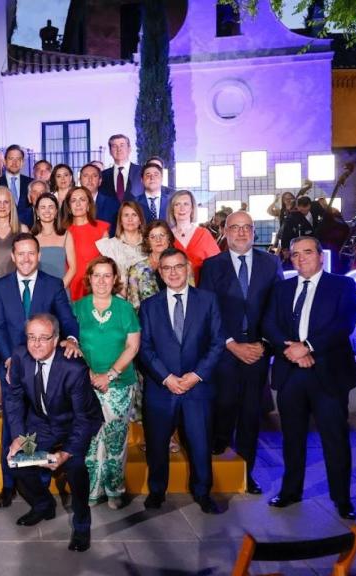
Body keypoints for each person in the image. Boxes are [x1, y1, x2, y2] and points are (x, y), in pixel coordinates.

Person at [263, 236, 356, 520]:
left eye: (307, 252)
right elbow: (269, 324)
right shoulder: (281, 288)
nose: (301, 258)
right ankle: (290, 491)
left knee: (335, 439)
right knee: (292, 438)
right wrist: (292, 350)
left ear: (321, 256)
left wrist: (307, 347)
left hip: (328, 374)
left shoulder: (342, 286)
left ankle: (342, 499)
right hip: (291, 372)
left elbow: (344, 324)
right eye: (295, 254)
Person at [0, 233, 81, 508]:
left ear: (39, 255)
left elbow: (68, 320)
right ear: (13, 256)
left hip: (45, 369)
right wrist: (8, 358)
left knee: (39, 427)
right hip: (12, 368)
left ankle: (39, 487)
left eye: (31, 253)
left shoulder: (53, 284)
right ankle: (9, 485)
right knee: (12, 428)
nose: (26, 258)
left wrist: (71, 340)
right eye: (21, 253)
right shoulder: (1, 286)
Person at [199, 211, 283, 495]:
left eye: (247, 227)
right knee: (223, 404)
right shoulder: (212, 266)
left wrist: (266, 344)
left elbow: (278, 308)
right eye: (235, 227)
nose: (242, 232)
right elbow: (208, 311)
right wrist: (231, 344)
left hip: (258, 350)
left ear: (254, 232)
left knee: (250, 412)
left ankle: (247, 472)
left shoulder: (271, 263)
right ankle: (219, 442)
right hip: (225, 349)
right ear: (225, 232)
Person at [5, 314, 104, 553]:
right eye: (31, 337)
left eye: (43, 338)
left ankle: (82, 525)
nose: (36, 344)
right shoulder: (19, 356)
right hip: (40, 424)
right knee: (17, 461)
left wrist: (66, 453)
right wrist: (18, 436)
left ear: (56, 339)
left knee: (75, 469)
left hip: (75, 425)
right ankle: (43, 505)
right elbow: (14, 398)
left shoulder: (74, 368)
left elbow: (82, 419)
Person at [137, 248, 224, 515]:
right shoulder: (149, 306)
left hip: (197, 388)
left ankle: (203, 492)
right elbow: (144, 349)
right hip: (161, 389)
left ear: (187, 268)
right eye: (167, 268)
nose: (173, 272)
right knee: (157, 445)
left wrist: (195, 376)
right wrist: (166, 378)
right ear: (160, 273)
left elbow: (217, 342)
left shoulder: (208, 300)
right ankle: (156, 491)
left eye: (178, 266)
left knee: (200, 444)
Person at [72, 257, 141, 509]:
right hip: (85, 384)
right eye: (97, 275)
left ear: (115, 279)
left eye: (107, 275)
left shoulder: (125, 309)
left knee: (115, 440)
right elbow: (70, 345)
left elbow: (133, 346)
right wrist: (89, 374)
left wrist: (109, 375)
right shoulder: (76, 308)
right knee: (89, 441)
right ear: (89, 279)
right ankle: (92, 491)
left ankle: (114, 489)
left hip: (119, 385)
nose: (101, 281)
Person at [126, 220, 188, 309]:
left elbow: (191, 298)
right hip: (146, 316)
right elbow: (133, 305)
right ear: (147, 241)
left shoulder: (183, 264)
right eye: (153, 237)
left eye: (162, 235)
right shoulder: (136, 270)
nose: (158, 240)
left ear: (169, 238)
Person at [64, 187, 110, 301]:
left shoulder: (101, 229)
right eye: (73, 200)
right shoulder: (62, 231)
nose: (78, 204)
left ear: (89, 205)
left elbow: (107, 264)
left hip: (93, 288)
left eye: (82, 200)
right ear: (69, 207)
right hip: (67, 287)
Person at [168, 190, 219, 284]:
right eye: (177, 204)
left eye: (186, 204)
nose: (182, 208)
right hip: (173, 289)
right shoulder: (166, 236)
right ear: (172, 209)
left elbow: (218, 265)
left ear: (192, 208)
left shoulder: (204, 234)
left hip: (202, 288)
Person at [97, 201, 148, 295]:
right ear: (120, 221)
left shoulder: (150, 244)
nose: (130, 219)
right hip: (118, 298)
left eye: (134, 215)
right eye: (126, 215)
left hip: (147, 298)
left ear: (140, 220)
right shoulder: (110, 246)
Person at [31, 191, 75, 285]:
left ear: (56, 211)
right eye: (43, 207)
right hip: (37, 289)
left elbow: (73, 268)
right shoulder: (30, 237)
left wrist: (59, 289)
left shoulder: (66, 235)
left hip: (61, 288)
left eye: (51, 207)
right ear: (37, 212)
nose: (47, 211)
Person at [0, 144, 34, 226]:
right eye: (11, 159)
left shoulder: (31, 183)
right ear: (5, 161)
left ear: (22, 162)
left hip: (27, 229)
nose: (14, 162)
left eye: (18, 159)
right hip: (2, 228)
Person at [99, 134, 142, 203]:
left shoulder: (142, 172)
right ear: (110, 151)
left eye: (122, 145)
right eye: (114, 146)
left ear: (129, 149)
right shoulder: (103, 175)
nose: (119, 149)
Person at [277, 196, 319, 261]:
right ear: (297, 206)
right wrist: (285, 249)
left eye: (305, 206)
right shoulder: (292, 217)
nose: (303, 209)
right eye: (300, 207)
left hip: (313, 245)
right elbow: (286, 233)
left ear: (309, 205)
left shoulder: (315, 211)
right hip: (298, 246)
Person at [78, 163, 120, 228]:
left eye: (94, 176)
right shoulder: (71, 203)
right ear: (80, 180)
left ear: (100, 181)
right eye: (86, 176)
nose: (90, 179)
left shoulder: (112, 204)